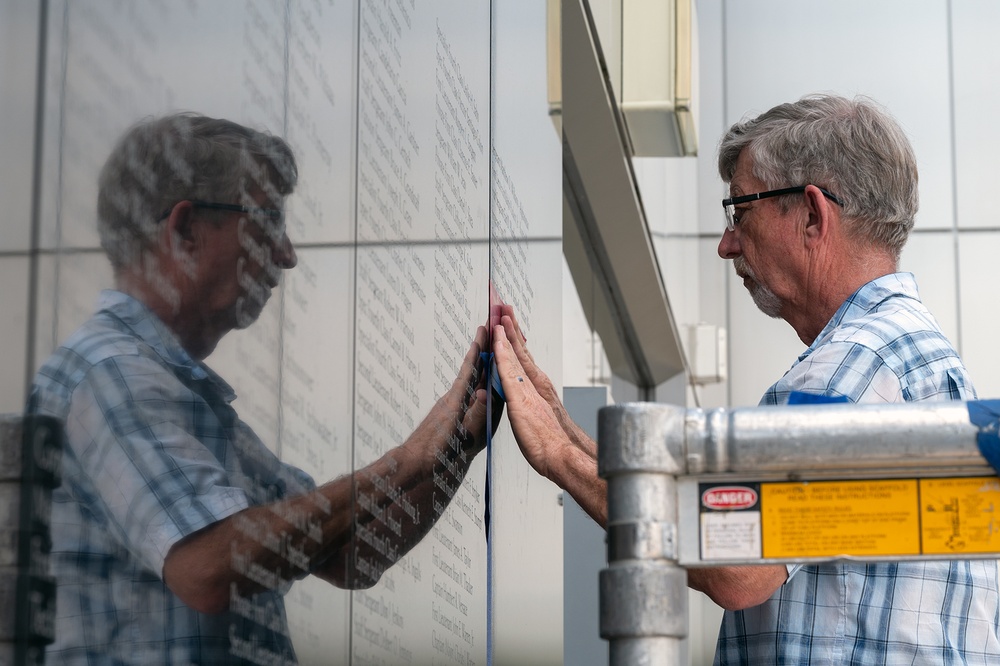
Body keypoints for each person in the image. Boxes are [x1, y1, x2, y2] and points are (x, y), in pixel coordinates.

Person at [492, 94, 1000, 664]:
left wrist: (559, 456)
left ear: (812, 214)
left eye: (741, 211)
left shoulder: (854, 368)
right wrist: (571, 434)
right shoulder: (906, 357)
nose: (726, 243)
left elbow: (737, 563)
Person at [28, 113, 493, 664]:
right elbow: (205, 572)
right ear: (184, 231)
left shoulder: (176, 391)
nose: (286, 253)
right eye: (267, 222)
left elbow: (351, 553)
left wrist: (455, 441)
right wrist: (408, 459)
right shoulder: (110, 375)